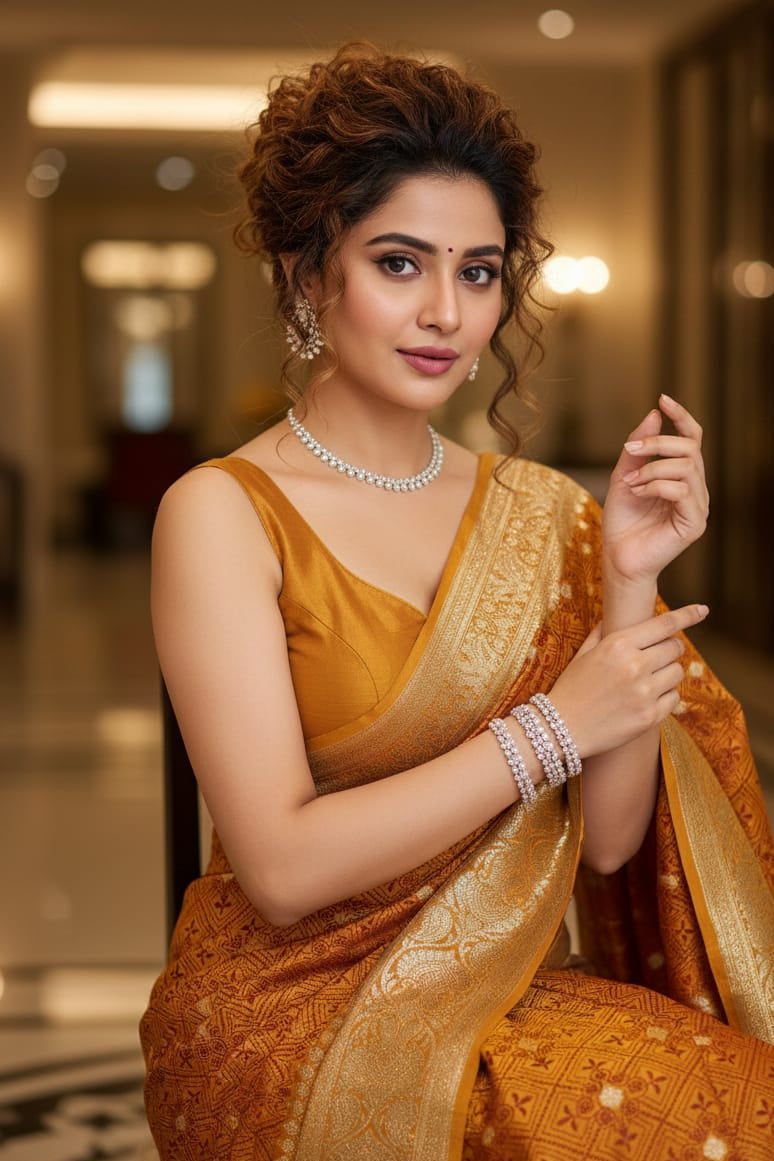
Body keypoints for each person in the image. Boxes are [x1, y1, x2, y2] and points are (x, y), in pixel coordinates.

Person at [140, 44, 774, 1161]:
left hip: (501, 986)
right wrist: (554, 728)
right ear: (306, 273)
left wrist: (627, 576)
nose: (446, 312)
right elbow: (281, 874)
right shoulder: (221, 512)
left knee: (739, 1097)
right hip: (287, 1014)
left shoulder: (543, 514)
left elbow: (612, 851)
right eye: (400, 263)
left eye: (479, 272)